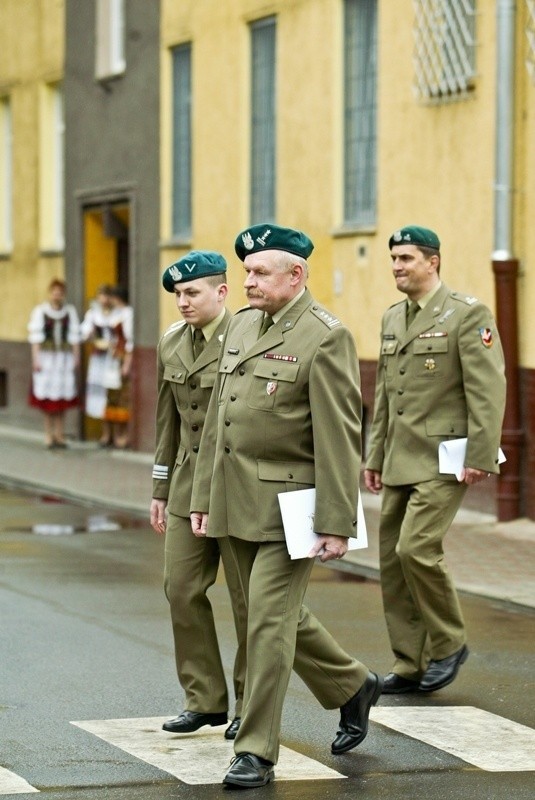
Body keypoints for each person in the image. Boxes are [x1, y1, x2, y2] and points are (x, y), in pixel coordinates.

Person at [190, 224, 382, 789]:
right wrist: (202, 497)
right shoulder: (244, 325)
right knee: (274, 616)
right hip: (231, 499)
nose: (247, 282)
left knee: (268, 624)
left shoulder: (326, 337)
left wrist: (337, 521)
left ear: (296, 275)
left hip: (287, 510)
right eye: (245, 272)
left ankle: (255, 750)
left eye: (258, 274)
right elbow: (216, 425)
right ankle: (352, 684)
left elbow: (340, 436)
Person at [364, 225, 506, 696]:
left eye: (406, 258)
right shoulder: (392, 318)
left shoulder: (466, 315)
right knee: (392, 559)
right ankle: (409, 663)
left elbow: (487, 390)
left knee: (416, 549)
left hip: (447, 458)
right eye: (394, 259)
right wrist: (375, 454)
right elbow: (385, 394)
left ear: (433, 261)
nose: (397, 267)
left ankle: (449, 644)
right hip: (401, 457)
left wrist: (481, 454)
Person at [150, 251, 247, 742]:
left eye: (192, 293)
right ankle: (204, 699)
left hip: (236, 485)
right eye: (178, 295)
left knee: (247, 600)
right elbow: (166, 422)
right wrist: (160, 488)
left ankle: (250, 704)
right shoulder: (171, 342)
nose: (182, 302)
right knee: (181, 587)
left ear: (221, 292)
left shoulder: (246, 338)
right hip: (188, 484)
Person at [28, 278, 81, 448]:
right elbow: (35, 338)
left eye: (59, 292)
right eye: (54, 292)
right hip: (46, 359)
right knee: (47, 399)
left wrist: (76, 357)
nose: (57, 295)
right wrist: (36, 359)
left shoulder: (69, 312)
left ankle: (60, 434)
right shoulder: (40, 311)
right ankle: (48, 435)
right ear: (50, 293)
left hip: (63, 359)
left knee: (61, 400)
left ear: (63, 294)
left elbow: (74, 337)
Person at [81, 284, 123, 447]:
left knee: (113, 394)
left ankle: (115, 434)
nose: (104, 299)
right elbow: (84, 332)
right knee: (101, 395)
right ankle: (105, 434)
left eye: (106, 296)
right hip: (99, 358)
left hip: (113, 358)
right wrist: (89, 334)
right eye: (101, 296)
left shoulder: (119, 313)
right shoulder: (93, 314)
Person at [105, 286, 134, 449]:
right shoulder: (115, 313)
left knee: (124, 397)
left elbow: (129, 340)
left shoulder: (128, 313)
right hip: (113, 357)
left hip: (123, 357)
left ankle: (124, 436)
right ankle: (113, 435)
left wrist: (127, 363)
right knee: (112, 396)